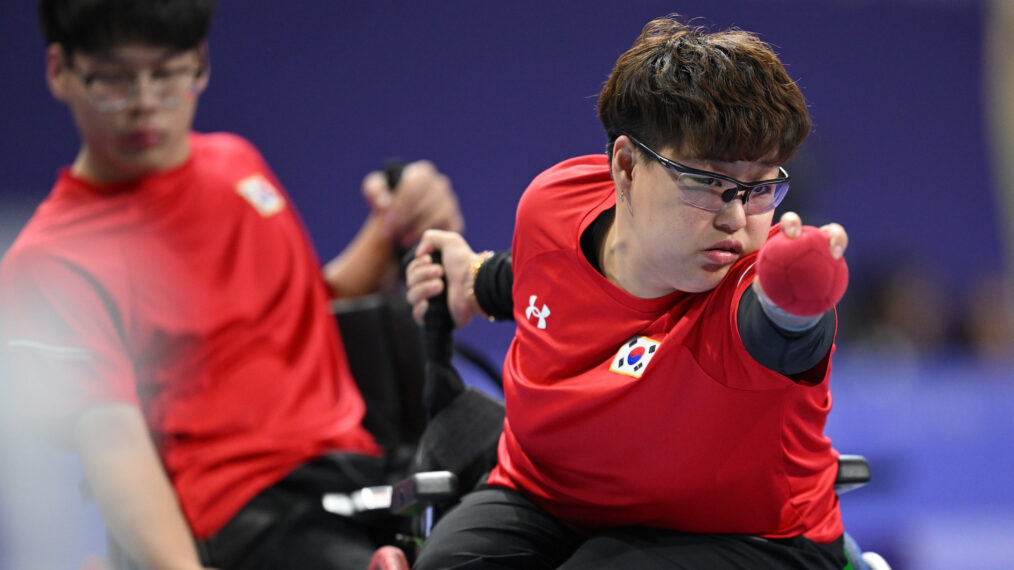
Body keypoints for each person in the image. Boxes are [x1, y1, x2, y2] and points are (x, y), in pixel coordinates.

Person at [0, 1, 462, 568]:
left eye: (165, 74)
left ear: (199, 64)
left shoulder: (236, 165)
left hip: (365, 472)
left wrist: (392, 230)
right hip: (245, 517)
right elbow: (114, 445)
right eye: (114, 79)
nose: (143, 100)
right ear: (59, 71)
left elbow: (303, 311)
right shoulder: (48, 261)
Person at [406, 15, 855, 569]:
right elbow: (535, 277)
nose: (736, 219)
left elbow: (783, 329)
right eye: (708, 183)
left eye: (759, 188)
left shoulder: (750, 288)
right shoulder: (552, 205)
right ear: (625, 166)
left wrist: (800, 291)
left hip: (754, 536)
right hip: (546, 498)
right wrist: (471, 279)